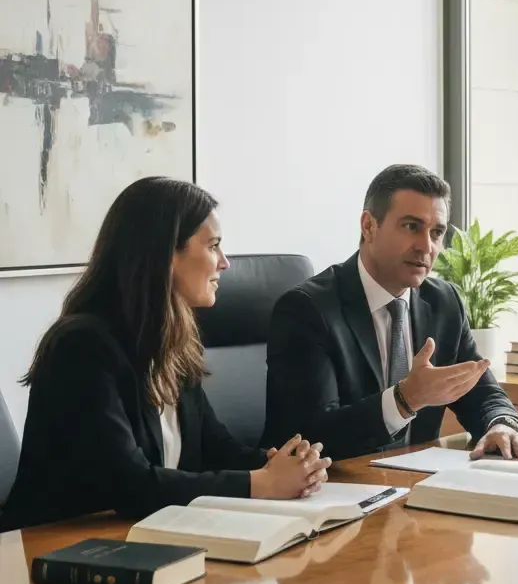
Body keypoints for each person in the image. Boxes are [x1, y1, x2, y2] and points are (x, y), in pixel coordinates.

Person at [0, 177, 330, 534]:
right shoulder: (80, 348)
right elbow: (130, 485)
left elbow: (214, 447)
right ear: (165, 255)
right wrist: (261, 483)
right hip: (58, 547)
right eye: (213, 246)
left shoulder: (170, 342)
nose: (225, 263)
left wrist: (286, 465)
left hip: (144, 537)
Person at [263, 164, 518, 462]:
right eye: (411, 227)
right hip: (334, 483)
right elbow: (309, 436)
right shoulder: (307, 309)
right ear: (369, 226)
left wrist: (500, 425)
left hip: (415, 480)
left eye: (437, 233)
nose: (426, 247)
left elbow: (481, 392)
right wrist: (405, 400)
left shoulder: (443, 302)